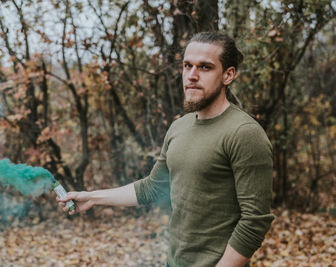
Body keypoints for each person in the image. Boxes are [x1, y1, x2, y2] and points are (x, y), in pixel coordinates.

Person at [57, 32, 274, 267]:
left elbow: (254, 221)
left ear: (228, 75)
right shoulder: (179, 127)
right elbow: (152, 187)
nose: (191, 75)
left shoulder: (244, 133)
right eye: (187, 65)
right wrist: (92, 198)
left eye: (205, 67)